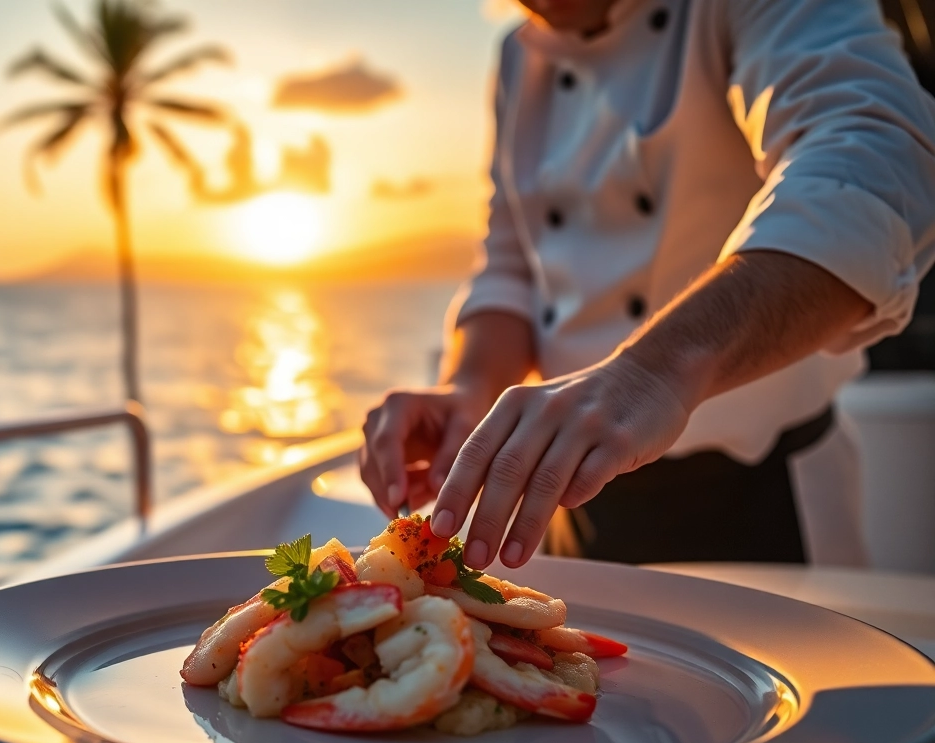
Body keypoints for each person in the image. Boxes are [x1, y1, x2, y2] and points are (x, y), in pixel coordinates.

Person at [359, 0, 935, 572]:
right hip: (565, 501)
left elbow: (871, 153)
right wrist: (471, 389)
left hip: (762, 498)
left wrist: (656, 370)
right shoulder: (518, 53)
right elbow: (512, 263)